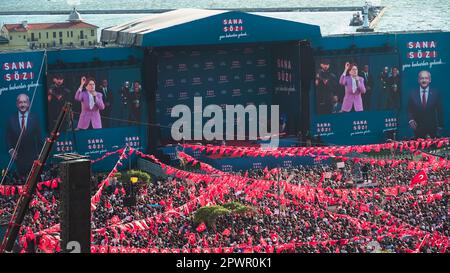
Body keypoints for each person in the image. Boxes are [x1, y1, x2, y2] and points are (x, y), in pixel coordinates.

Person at [6, 94, 42, 181]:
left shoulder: (35, 118)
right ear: (17, 104)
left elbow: (39, 138)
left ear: (29, 103)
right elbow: (8, 137)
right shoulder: (11, 119)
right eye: (20, 102)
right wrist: (11, 149)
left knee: (35, 182)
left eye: (25, 102)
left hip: (33, 158)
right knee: (22, 183)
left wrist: (40, 155)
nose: (22, 105)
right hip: (19, 159)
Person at [407, 70, 443, 138]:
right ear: (418, 80)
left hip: (433, 130)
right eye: (422, 78)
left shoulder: (436, 93)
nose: (424, 80)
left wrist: (440, 126)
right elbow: (409, 109)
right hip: (417, 130)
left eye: (426, 78)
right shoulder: (412, 93)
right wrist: (411, 119)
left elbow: (440, 111)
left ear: (430, 80)